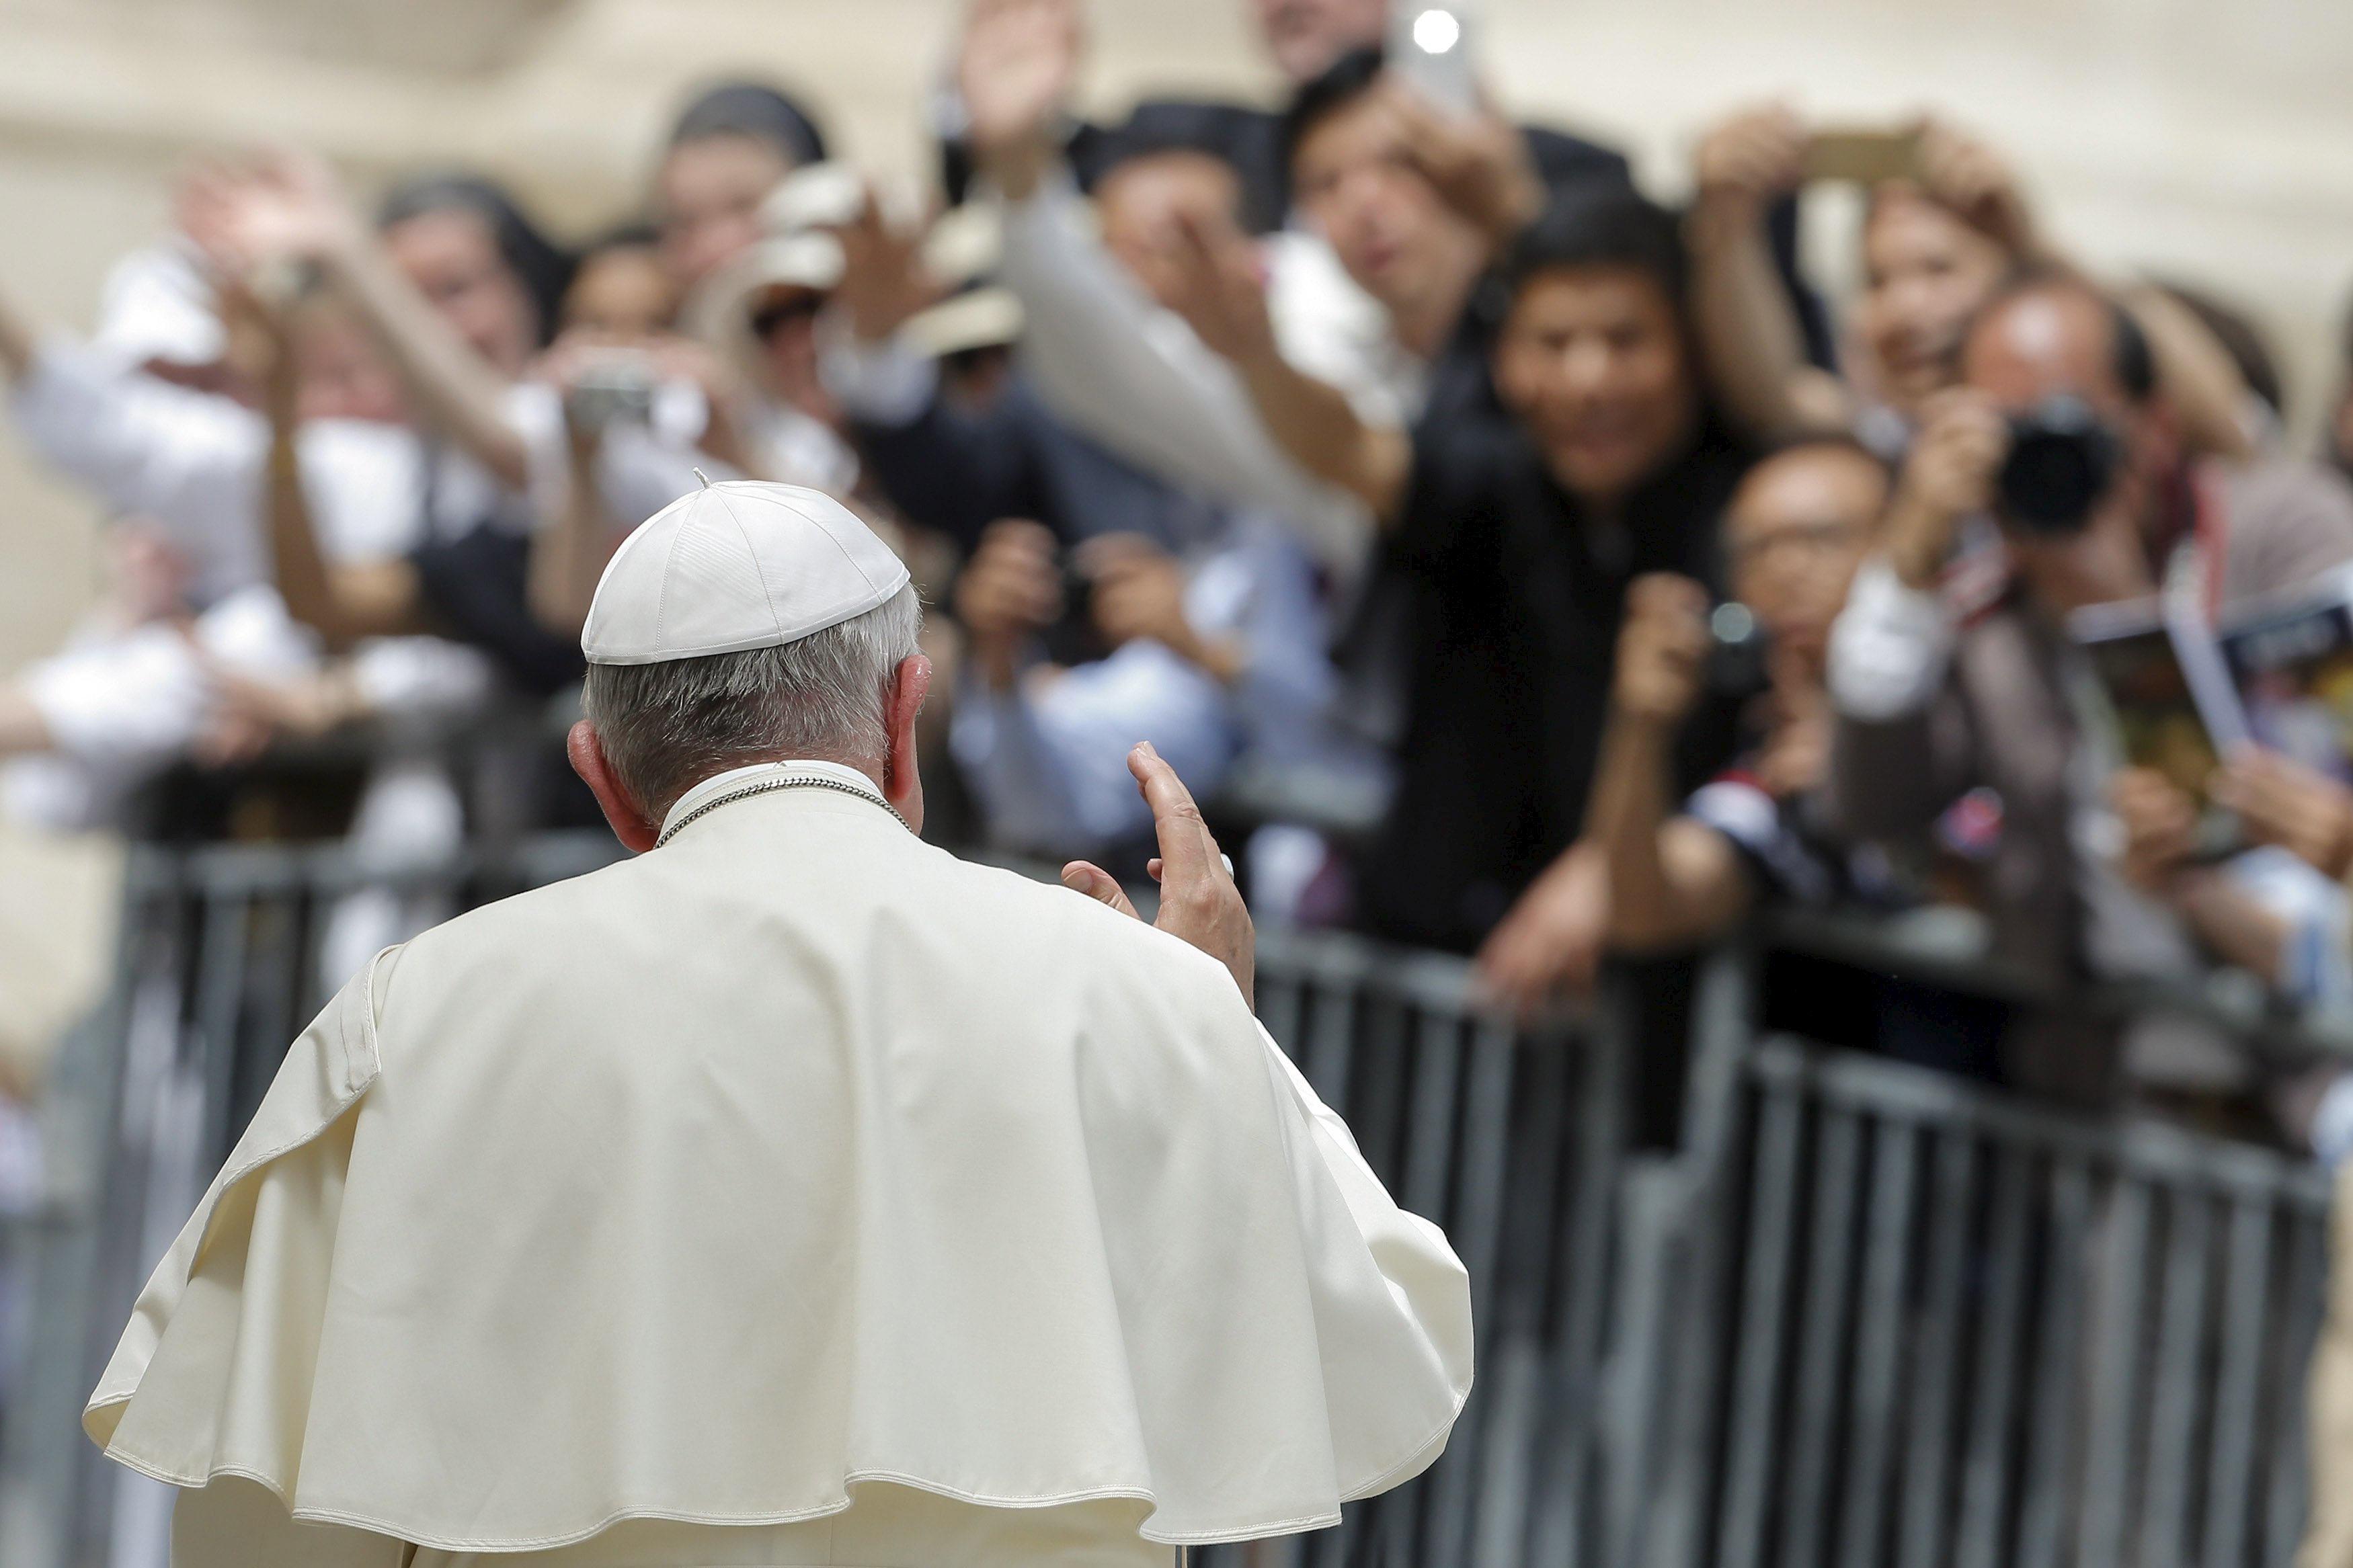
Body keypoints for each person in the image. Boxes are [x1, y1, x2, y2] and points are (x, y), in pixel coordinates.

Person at [86, 480, 1472, 1568]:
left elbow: (268, 1502)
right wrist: (1208, 1021)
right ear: (903, 718)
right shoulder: (1129, 992)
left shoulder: (410, 1012)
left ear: (605, 780)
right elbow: (1378, 1366)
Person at [1167, 183, 1754, 955]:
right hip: (1429, 960)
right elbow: (1350, 448)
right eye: (1552, 341)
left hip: (1648, 997)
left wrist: (1609, 865)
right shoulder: (1492, 481)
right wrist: (1256, 355)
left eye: (1624, 339)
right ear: (1506, 357)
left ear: (1690, 349)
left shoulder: (1747, 516)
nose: (1587, 380)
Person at [1824, 270, 2353, 1106]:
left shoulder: (2284, 534)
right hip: (2104, 1110)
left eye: (2066, 422)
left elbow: (2249, 811)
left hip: (2298, 1094)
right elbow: (1868, 806)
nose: (2042, 454)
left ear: (2155, 423)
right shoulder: (1991, 616)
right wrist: (1903, 570)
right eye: (2009, 430)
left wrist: (2119, 623)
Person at [1478, 439, 1891, 1007]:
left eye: (1822, 537)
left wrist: (1876, 792)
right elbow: (1645, 909)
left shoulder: (1974, 711)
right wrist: (1640, 727)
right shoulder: (1776, 770)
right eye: (1755, 549)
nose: (1785, 568)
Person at [1685, 105, 2257, 462]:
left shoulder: (2092, 431)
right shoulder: (1886, 441)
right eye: (1876, 280)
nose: (1907, 309)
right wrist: (1727, 222)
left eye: (1939, 270)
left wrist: (2033, 246)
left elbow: (2228, 430)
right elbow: (1772, 397)